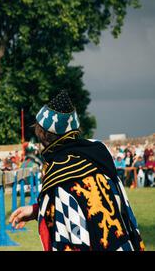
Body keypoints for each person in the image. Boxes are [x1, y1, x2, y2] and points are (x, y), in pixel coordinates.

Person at [9, 90, 144, 251]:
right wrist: (37, 210)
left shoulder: (58, 176)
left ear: (43, 136)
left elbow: (69, 237)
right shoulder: (99, 154)